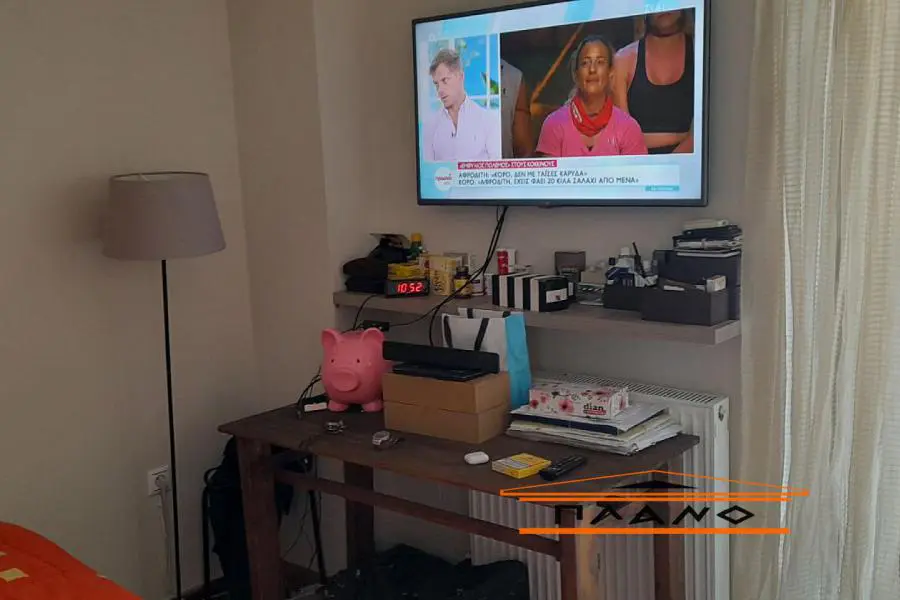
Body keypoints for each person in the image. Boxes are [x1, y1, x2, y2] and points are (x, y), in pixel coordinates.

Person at [535, 35, 647, 157]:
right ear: (576, 74)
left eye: (600, 62)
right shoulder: (554, 124)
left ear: (610, 72)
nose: (592, 69)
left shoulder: (629, 128)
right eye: (585, 63)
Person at [613, 10, 694, 154]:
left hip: (695, 164)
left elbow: (703, 134)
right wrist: (681, 137)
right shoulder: (623, 60)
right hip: (639, 163)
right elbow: (624, 139)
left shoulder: (703, 52)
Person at [422, 48, 501, 161]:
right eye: (436, 84)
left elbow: (495, 167)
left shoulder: (488, 121)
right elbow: (427, 169)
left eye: (445, 81)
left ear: (461, 77)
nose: (440, 90)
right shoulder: (430, 126)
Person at [500, 59, 534, 158]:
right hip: (501, 166)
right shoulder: (512, 76)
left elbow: (523, 147)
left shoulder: (512, 76)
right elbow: (523, 149)